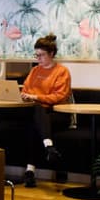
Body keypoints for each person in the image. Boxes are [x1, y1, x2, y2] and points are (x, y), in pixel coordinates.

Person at [18, 33, 73, 187]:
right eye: (36, 55)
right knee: (36, 114)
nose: (38, 59)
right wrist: (25, 96)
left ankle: (30, 170)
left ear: (52, 54)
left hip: (58, 114)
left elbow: (58, 97)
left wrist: (35, 97)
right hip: (37, 112)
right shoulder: (35, 71)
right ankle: (49, 146)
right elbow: (26, 89)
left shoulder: (62, 72)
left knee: (34, 123)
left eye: (41, 55)